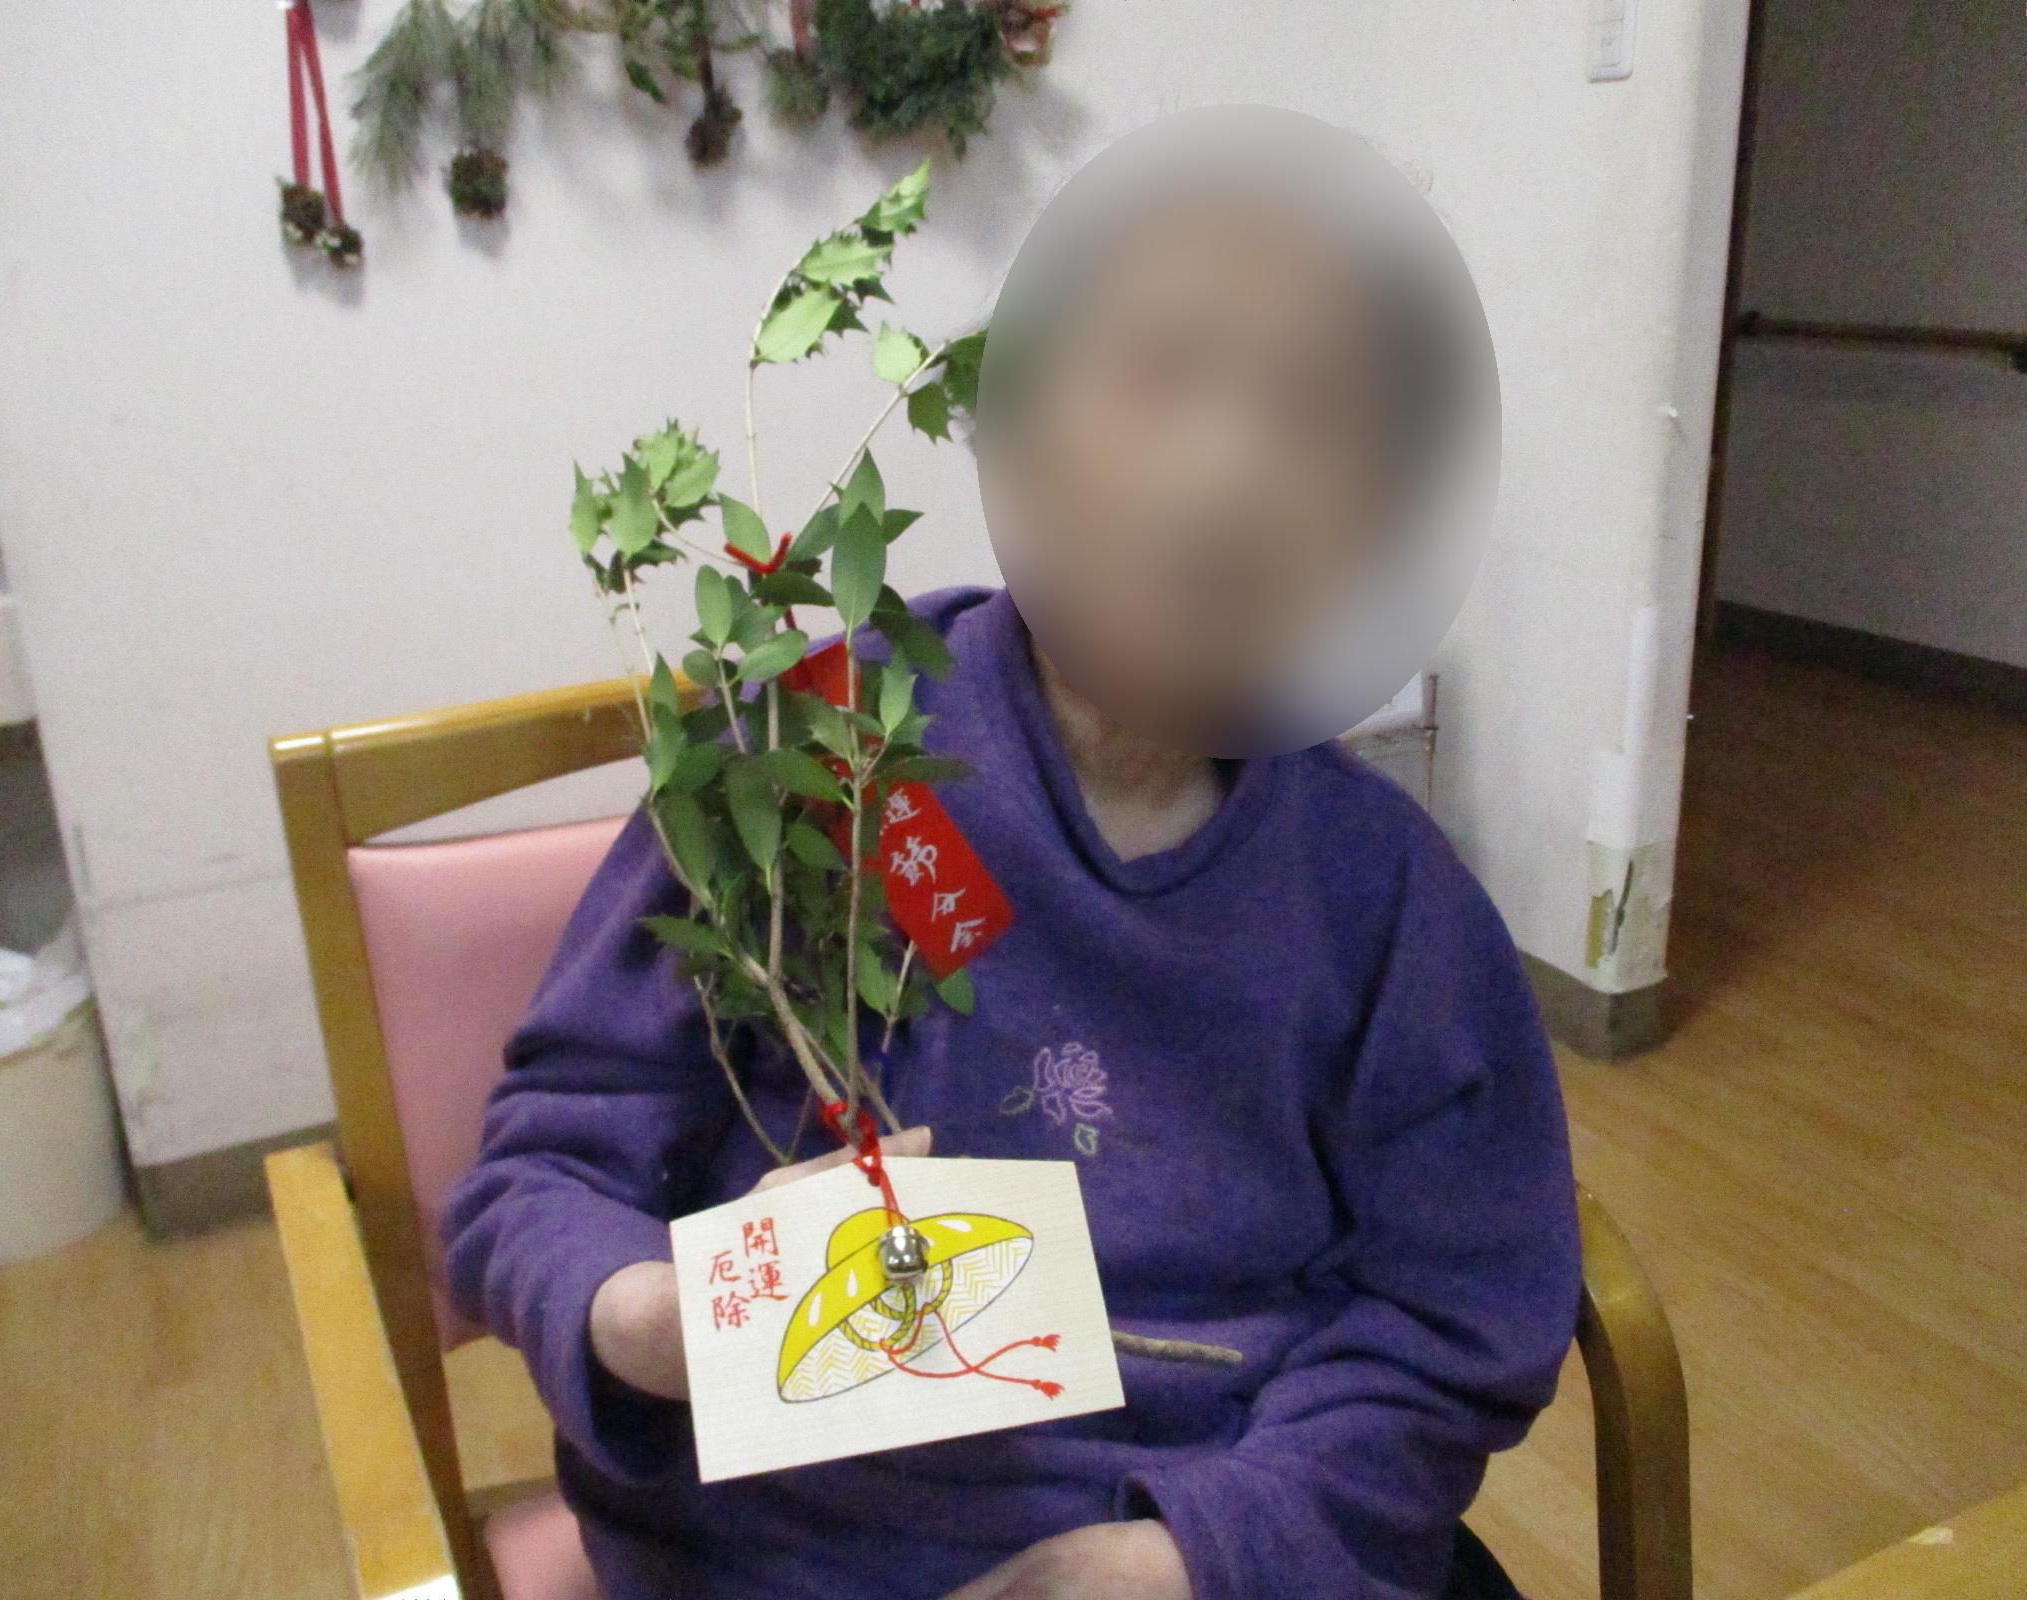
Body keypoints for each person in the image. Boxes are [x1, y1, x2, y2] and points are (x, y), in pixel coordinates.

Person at [446, 115, 1579, 1600]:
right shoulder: (808, 754)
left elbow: (1448, 1321)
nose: (1224, 469)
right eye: (1161, 371)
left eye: (1315, 413)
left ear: (1378, 516)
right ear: (1013, 415)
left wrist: (1189, 1557)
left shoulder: (1389, 900)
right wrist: (657, 1322)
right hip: (797, 1544)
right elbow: (541, 1170)